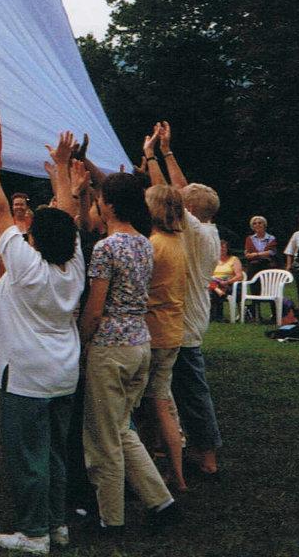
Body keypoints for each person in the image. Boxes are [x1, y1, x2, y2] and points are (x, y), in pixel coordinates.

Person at [0, 131, 86, 554]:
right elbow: (68, 216)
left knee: (30, 457)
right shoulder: (74, 262)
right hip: (63, 372)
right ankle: (58, 524)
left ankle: (33, 533)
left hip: (26, 376)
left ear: (36, 239)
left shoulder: (26, 266)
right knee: (57, 453)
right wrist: (61, 169)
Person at [78, 165, 178, 533]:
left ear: (108, 205)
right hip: (140, 344)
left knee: (102, 439)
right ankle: (161, 501)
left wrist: (82, 340)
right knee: (122, 429)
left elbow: (95, 306)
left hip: (111, 348)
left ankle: (111, 519)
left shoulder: (106, 249)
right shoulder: (144, 243)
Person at [145, 122, 223, 479]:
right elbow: (180, 189)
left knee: (192, 392)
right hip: (190, 318)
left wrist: (152, 156)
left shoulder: (195, 231)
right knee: (174, 388)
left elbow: (168, 191)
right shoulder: (206, 228)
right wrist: (167, 150)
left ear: (189, 209)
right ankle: (173, 444)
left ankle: (207, 456)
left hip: (186, 324)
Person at [140, 183, 189, 493]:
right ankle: (173, 472)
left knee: (158, 405)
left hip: (154, 331)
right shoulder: (177, 240)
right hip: (172, 329)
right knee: (160, 403)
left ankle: (173, 474)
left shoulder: (153, 244)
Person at [207, 239, 243, 322]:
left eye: (223, 247)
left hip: (229, 284)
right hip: (215, 282)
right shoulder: (214, 260)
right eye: (219, 247)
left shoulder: (234, 259)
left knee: (212, 290)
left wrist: (227, 282)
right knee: (211, 282)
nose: (221, 249)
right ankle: (217, 316)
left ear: (227, 249)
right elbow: (208, 275)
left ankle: (215, 316)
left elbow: (239, 276)